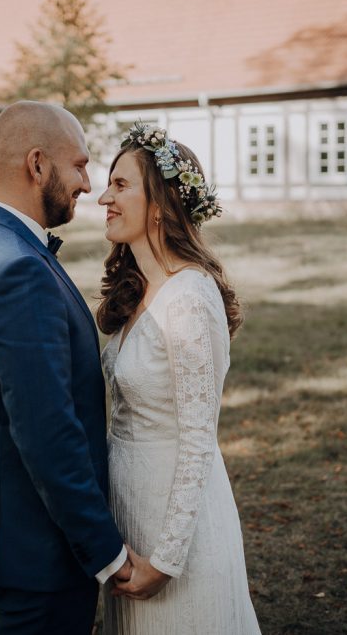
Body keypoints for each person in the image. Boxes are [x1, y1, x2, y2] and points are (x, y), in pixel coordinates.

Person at [0, 101, 132, 634]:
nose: (88, 184)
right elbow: (47, 432)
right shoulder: (19, 270)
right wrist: (105, 552)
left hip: (8, 529)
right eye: (79, 165)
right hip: (40, 547)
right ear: (38, 164)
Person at [97, 123, 261, 634]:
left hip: (177, 532)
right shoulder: (139, 289)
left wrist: (166, 560)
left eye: (121, 186)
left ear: (162, 204)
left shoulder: (189, 298)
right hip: (132, 514)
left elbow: (197, 439)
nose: (104, 196)